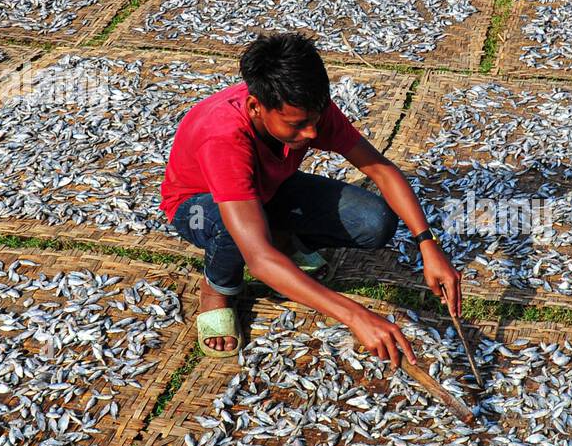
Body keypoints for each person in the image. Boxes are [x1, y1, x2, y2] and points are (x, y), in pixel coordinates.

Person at [159, 31, 461, 364]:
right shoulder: (224, 137)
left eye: (315, 121)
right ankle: (217, 288)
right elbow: (258, 260)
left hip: (267, 190)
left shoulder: (307, 107)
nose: (312, 134)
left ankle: (278, 235)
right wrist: (354, 314)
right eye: (298, 125)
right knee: (236, 233)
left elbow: (381, 170)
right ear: (255, 107)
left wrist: (427, 243)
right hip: (199, 207)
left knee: (374, 222)